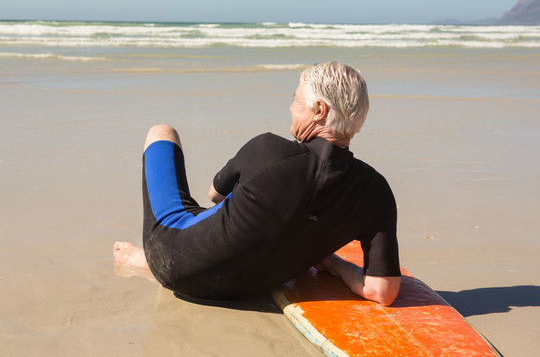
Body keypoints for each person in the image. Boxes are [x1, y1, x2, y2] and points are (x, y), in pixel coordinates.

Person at [114, 61, 401, 306]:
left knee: (162, 131)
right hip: (253, 290)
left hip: (176, 268)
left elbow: (215, 194)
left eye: (296, 100)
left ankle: (148, 259)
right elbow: (383, 292)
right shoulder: (376, 192)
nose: (291, 108)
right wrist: (334, 263)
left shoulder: (267, 150)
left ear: (319, 110)